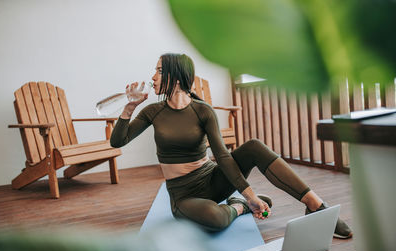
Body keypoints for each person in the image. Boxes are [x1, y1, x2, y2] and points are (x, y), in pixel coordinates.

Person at [110, 53, 352, 238]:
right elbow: (117, 141)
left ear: (175, 76)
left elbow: (223, 157)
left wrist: (251, 193)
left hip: (212, 179)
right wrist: (129, 108)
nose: (153, 77)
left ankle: (317, 206)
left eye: (159, 71)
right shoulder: (153, 111)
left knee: (254, 146)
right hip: (183, 194)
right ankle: (239, 207)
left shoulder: (202, 110)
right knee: (215, 219)